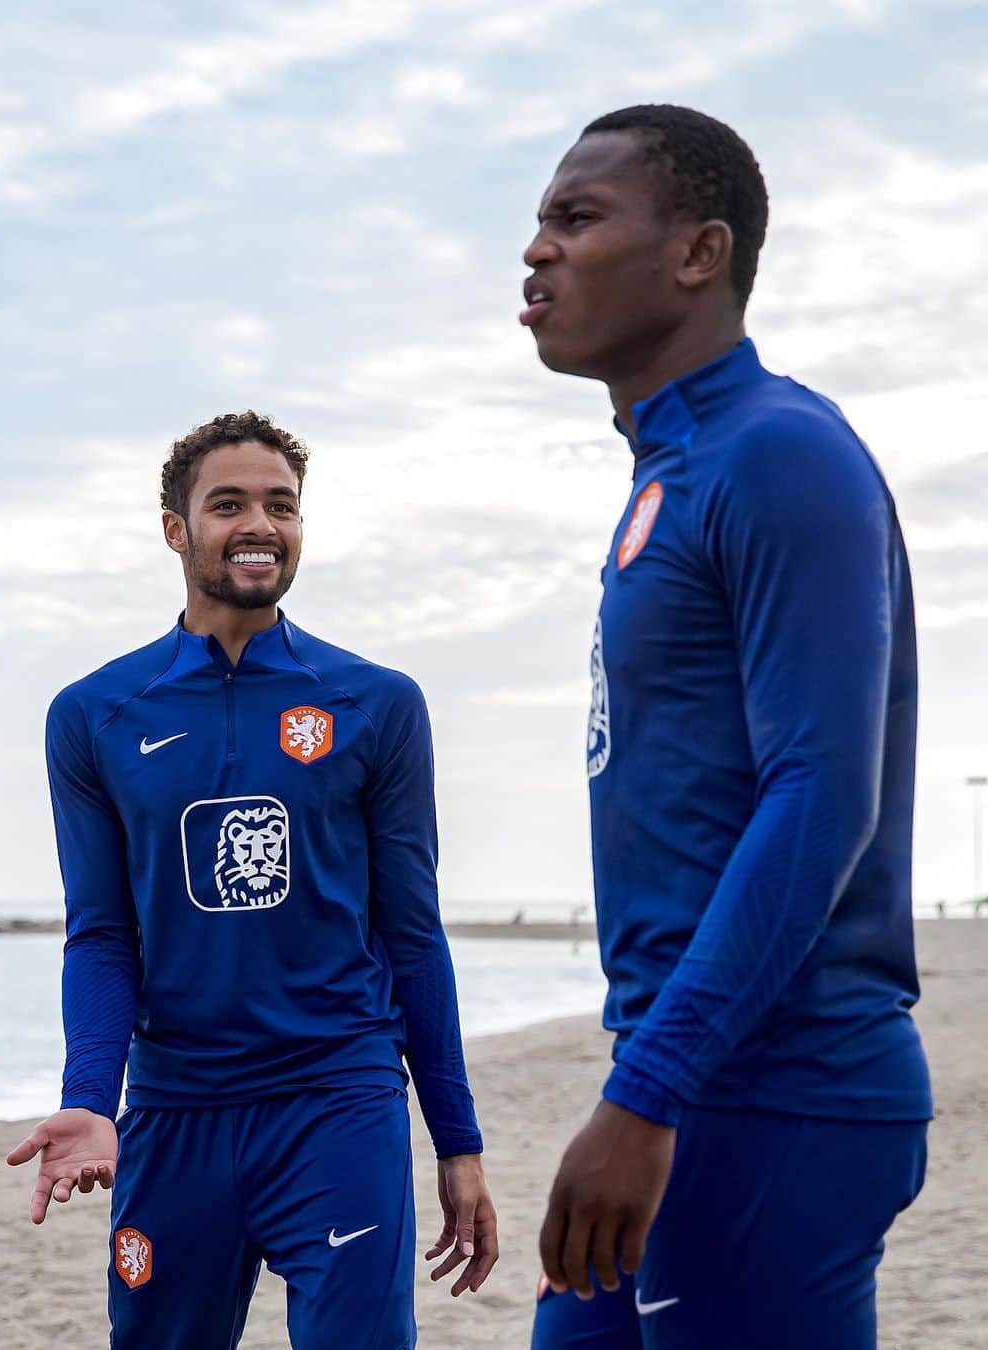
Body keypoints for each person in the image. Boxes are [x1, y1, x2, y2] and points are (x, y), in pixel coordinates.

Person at [520, 105, 931, 1350]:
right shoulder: (669, 473)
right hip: (682, 1076)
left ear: (700, 254)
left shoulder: (779, 454)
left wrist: (650, 1094)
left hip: (777, 1091)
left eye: (577, 219)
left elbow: (819, 797)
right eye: (536, 222)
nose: (536, 252)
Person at [7, 411, 498, 1349]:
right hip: (175, 1109)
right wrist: (88, 1094)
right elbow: (103, 934)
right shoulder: (95, 715)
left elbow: (413, 933)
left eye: (282, 505)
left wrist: (457, 1140)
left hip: (338, 1101)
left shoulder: (376, 704)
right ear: (174, 528)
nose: (259, 525)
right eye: (227, 504)